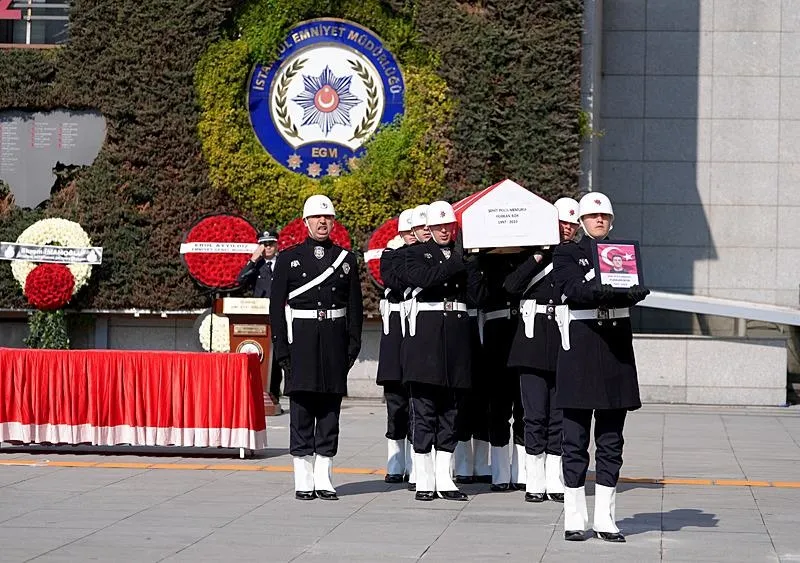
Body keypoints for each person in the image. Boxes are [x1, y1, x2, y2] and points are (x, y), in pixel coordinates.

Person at [552, 192, 649, 542]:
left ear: (611, 221)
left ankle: (606, 519)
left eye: (604, 217)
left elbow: (629, 289)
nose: (599, 222)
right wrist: (604, 286)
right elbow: (570, 290)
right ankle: (575, 518)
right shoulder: (567, 252)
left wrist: (632, 291)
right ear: (581, 222)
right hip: (580, 349)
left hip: (615, 352)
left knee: (611, 441)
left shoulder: (624, 252)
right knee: (574, 440)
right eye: (593, 217)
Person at [270, 194, 363, 501]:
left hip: (334, 341)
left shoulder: (346, 259)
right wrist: (282, 350)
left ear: (333, 222)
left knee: (329, 410)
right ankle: (303, 476)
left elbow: (355, 307)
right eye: (317, 218)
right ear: (306, 222)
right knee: (302, 408)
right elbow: (276, 310)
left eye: (328, 218)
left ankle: (324, 475)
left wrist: (352, 345)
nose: (323, 222)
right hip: (302, 341)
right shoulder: (288, 259)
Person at [398, 200, 482, 502]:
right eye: (438, 226)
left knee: (451, 412)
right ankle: (424, 477)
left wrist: (474, 265)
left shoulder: (462, 256)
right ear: (429, 229)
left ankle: (445, 479)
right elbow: (424, 279)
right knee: (424, 410)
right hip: (427, 340)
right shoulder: (414, 254)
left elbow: (476, 297)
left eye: (449, 226)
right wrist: (457, 262)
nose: (444, 231)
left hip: (457, 340)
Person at [503, 197, 579, 504]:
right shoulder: (533, 254)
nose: (567, 229)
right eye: (563, 223)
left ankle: (555, 479)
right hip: (532, 343)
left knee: (559, 416)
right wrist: (537, 256)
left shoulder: (577, 256)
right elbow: (510, 286)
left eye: (572, 224)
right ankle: (534, 480)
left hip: (563, 340)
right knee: (534, 415)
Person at [479, 249, 528, 492]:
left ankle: (521, 471)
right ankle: (500, 472)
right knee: (498, 408)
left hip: (524, 332)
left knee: (524, 408)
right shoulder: (486, 258)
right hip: (497, 336)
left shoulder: (532, 255)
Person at [377, 209, 416, 484]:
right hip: (394, 343)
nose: (414, 237)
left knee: (418, 406)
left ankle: (416, 462)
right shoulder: (391, 256)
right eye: (410, 232)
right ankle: (395, 461)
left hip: (417, 343)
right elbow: (396, 279)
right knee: (396, 406)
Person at [237, 229, 283, 399]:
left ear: (277, 244)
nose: (268, 247)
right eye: (264, 244)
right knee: (260, 354)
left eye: (271, 243)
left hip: (279, 316)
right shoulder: (256, 266)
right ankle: (257, 394)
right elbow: (240, 280)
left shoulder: (283, 263)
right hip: (260, 320)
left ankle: (273, 394)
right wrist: (252, 259)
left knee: (277, 357)